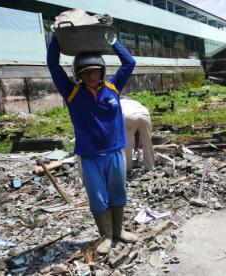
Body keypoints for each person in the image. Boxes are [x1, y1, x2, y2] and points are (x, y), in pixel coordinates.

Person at [47, 33, 137, 254]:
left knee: (118, 192)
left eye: (95, 70)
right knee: (97, 197)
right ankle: (105, 236)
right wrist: (56, 38)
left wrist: (114, 42)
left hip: (115, 152)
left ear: (102, 70)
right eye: (85, 72)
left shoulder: (113, 86)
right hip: (89, 156)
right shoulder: (72, 92)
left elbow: (130, 62)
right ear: (79, 74)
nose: (91, 75)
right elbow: (52, 64)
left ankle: (119, 231)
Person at [120, 97, 155, 172]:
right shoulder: (135, 102)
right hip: (144, 115)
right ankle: (150, 167)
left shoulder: (118, 102)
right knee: (147, 141)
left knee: (126, 144)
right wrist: (136, 147)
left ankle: (127, 169)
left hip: (127, 116)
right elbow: (137, 132)